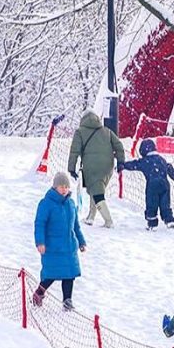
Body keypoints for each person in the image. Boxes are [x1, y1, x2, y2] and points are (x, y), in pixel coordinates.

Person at [33, 171, 87, 310]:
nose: (64, 189)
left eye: (66, 187)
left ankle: (67, 301)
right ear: (55, 187)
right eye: (61, 186)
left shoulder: (70, 204)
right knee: (51, 274)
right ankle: (39, 292)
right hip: (53, 247)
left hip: (69, 246)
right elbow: (40, 224)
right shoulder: (46, 204)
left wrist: (81, 241)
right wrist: (40, 242)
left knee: (69, 275)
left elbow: (75, 225)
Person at [67, 110, 126, 228]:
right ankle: (91, 217)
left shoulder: (80, 132)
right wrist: (120, 162)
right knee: (96, 188)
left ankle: (108, 220)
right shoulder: (107, 131)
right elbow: (119, 146)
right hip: (107, 166)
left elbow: (74, 152)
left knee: (97, 193)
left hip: (91, 166)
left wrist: (71, 168)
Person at [116, 138, 174, 230]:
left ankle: (152, 223)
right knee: (165, 204)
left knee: (152, 203)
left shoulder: (145, 161)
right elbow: (169, 167)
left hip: (152, 185)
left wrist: (123, 165)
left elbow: (134, 164)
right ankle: (169, 220)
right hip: (165, 185)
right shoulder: (161, 159)